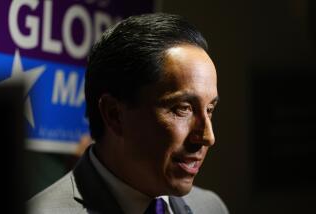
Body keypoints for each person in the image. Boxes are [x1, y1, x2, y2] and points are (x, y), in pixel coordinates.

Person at [27, 13, 229, 214]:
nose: (208, 137)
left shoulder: (211, 207)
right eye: (182, 109)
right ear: (114, 114)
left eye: (209, 110)